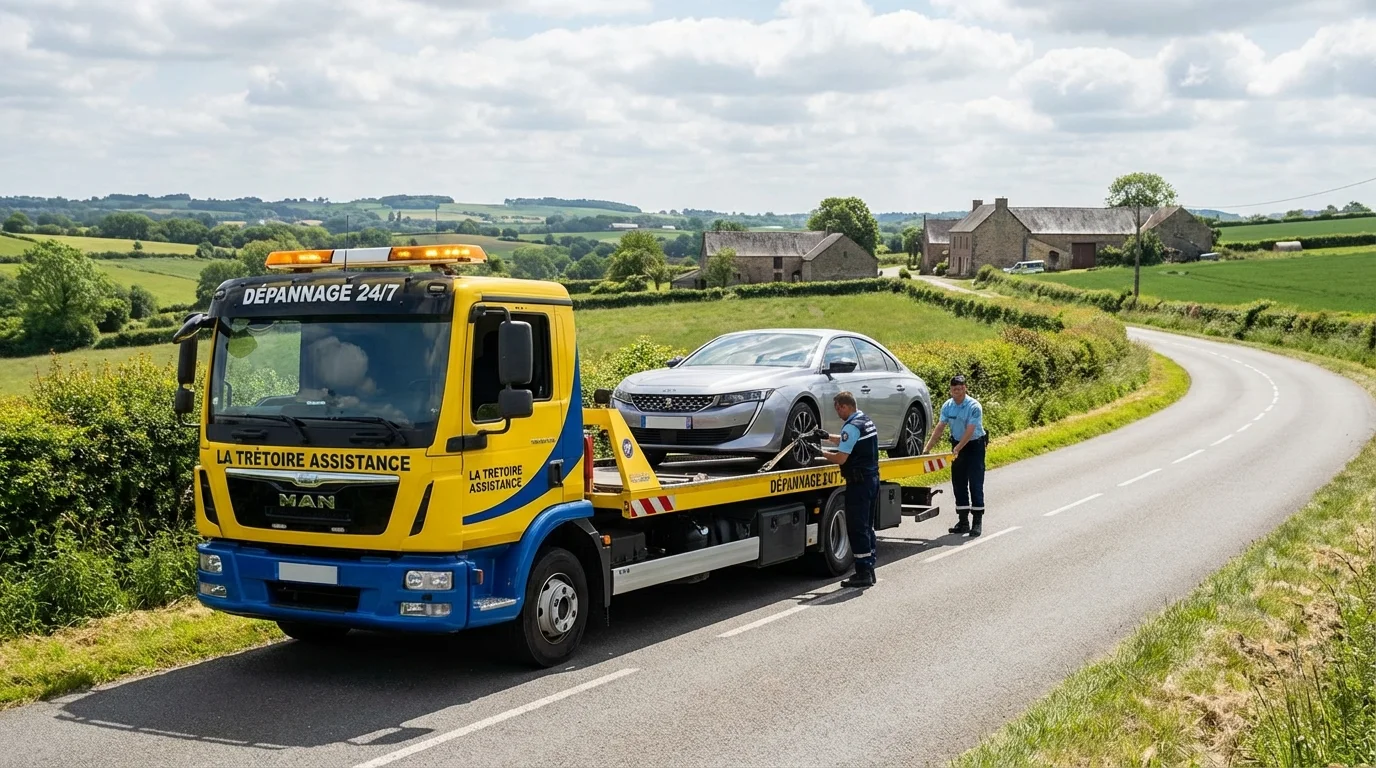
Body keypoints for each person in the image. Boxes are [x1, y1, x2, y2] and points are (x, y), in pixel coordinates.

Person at [816, 391, 881, 589]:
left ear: (844, 406)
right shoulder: (865, 421)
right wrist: (828, 437)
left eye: (838, 409)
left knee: (857, 527)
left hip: (858, 483)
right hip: (872, 479)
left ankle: (862, 573)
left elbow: (841, 458)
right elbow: (849, 441)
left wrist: (819, 452)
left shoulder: (851, 426)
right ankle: (869, 568)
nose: (838, 414)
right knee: (867, 526)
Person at [925, 374, 988, 537]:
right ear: (950, 390)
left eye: (960, 389)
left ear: (965, 388)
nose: (957, 392)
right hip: (957, 445)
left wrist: (958, 448)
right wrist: (927, 448)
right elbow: (940, 427)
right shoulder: (948, 406)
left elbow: (970, 430)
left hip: (974, 445)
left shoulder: (974, 406)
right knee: (958, 483)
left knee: (975, 482)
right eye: (954, 389)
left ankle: (977, 522)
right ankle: (963, 521)